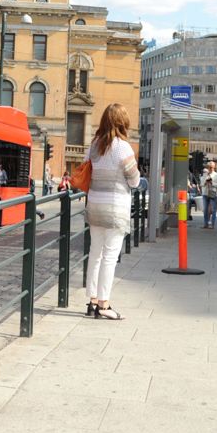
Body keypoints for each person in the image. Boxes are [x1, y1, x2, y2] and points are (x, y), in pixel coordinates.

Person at [85, 103, 140, 320]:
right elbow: (134, 180)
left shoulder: (95, 145)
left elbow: (87, 169)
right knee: (109, 257)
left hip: (95, 205)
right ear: (122, 122)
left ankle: (91, 301)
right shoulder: (122, 147)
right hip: (115, 207)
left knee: (95, 254)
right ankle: (104, 304)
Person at [202, 161, 217, 229]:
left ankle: (212, 224)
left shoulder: (216, 175)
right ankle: (205, 224)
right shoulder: (205, 174)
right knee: (205, 210)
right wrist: (205, 182)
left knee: (213, 210)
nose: (210, 169)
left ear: (214, 167)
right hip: (205, 193)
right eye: (209, 167)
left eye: (212, 167)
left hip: (213, 194)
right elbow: (201, 184)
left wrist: (212, 183)